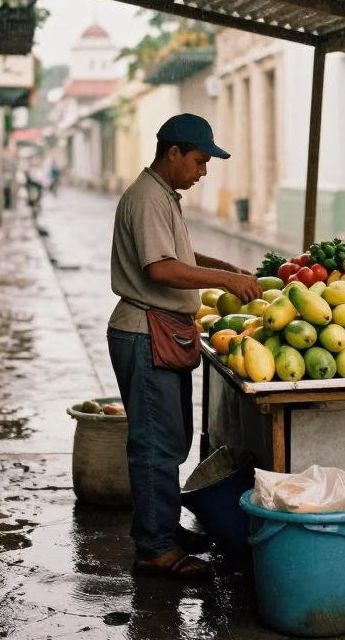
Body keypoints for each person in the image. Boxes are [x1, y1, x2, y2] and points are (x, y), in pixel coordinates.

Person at [107, 113, 260, 580]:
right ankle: (154, 548)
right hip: (144, 332)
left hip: (163, 331)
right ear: (172, 153)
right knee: (155, 445)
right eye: (198, 160)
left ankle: (164, 527)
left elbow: (181, 257)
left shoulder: (163, 196)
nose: (203, 171)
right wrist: (225, 278)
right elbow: (162, 269)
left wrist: (225, 266)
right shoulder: (148, 198)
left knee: (170, 441)